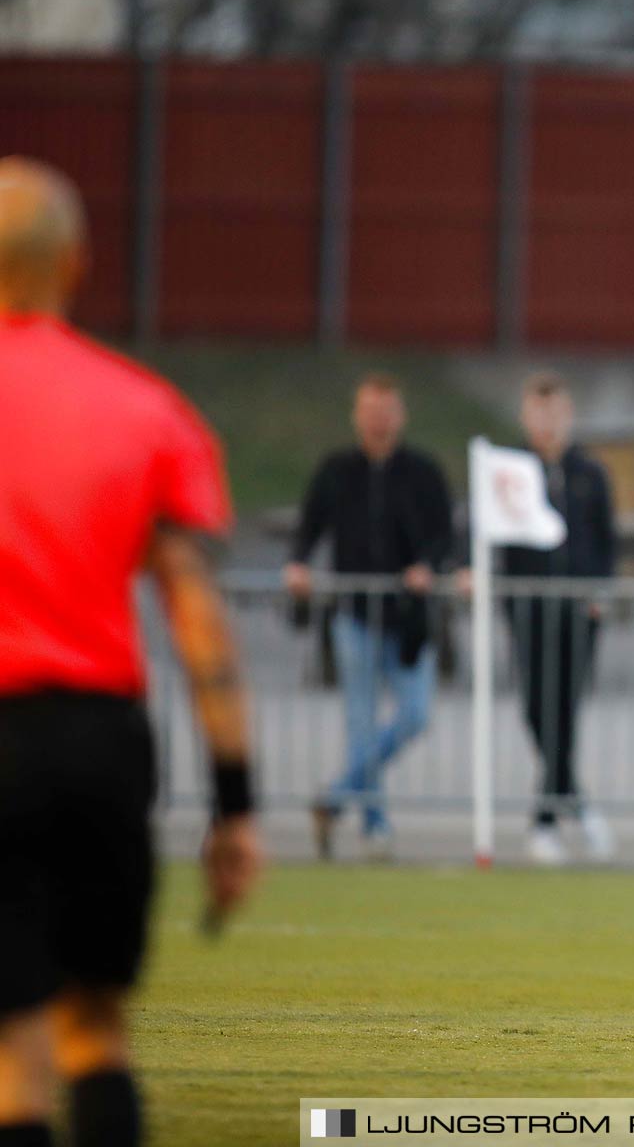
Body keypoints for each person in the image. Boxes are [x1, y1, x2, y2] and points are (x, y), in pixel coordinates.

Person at [0, 155, 261, 1147]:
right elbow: (198, 620)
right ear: (77, 264)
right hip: (101, 742)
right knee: (95, 1026)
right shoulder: (144, 410)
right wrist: (235, 805)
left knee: (10, 1048)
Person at [288, 375, 453, 862]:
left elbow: (445, 533)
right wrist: (299, 562)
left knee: (414, 713)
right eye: (370, 411)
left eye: (387, 411)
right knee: (360, 721)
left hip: (408, 616)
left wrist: (429, 567)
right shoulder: (336, 470)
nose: (379, 421)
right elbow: (309, 525)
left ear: (400, 416)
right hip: (354, 613)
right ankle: (373, 822)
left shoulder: (423, 471)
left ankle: (336, 797)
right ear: (357, 416)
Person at [500, 372, 619, 866]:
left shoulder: (589, 473)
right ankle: (576, 803)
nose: (546, 424)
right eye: (537, 413)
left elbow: (605, 540)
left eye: (554, 413)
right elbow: (493, 534)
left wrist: (599, 590)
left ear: (566, 415)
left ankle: (545, 819)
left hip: (578, 610)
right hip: (527, 607)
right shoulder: (511, 472)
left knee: (565, 708)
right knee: (536, 708)